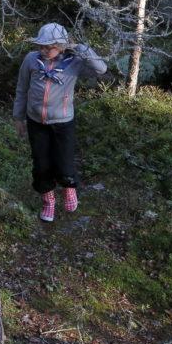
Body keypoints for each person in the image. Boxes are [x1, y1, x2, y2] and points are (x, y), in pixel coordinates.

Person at [12, 23, 107, 222]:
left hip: (63, 122)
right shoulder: (31, 60)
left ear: (62, 46)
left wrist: (79, 47)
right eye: (41, 46)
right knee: (41, 164)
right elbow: (21, 90)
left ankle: (69, 189)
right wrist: (18, 118)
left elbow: (101, 68)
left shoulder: (74, 61)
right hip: (36, 122)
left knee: (64, 163)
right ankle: (48, 202)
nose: (44, 50)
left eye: (50, 47)